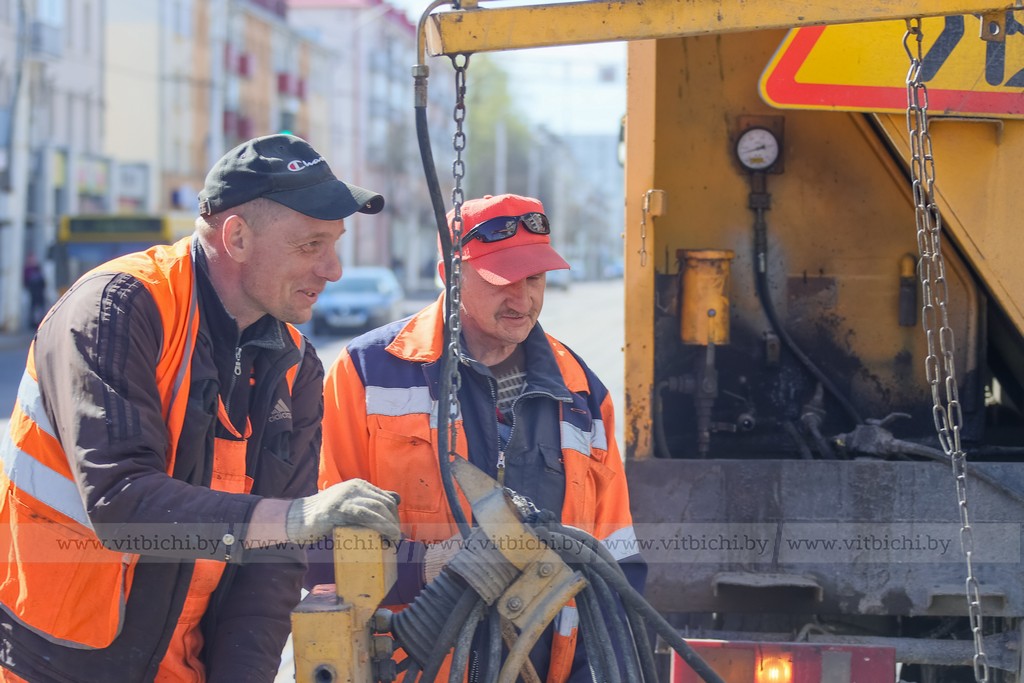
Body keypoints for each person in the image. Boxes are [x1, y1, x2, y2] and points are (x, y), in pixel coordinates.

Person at [0, 133, 402, 683]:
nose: (332, 269)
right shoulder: (118, 308)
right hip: (55, 664)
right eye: (311, 245)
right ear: (236, 237)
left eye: (335, 244)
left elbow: (273, 564)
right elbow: (121, 502)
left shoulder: (295, 367)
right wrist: (295, 517)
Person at [318, 193, 646, 681]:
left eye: (534, 279)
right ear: (448, 274)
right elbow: (316, 551)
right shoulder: (368, 373)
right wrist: (429, 568)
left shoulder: (582, 393)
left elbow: (616, 562)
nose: (523, 299)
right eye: (502, 280)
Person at [22, 252, 46, 328]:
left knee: (39, 308)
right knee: (32, 309)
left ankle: (39, 322)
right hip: (32, 293)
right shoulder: (27, 269)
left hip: (39, 293)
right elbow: (25, 281)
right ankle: (32, 323)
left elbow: (43, 281)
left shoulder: (38, 268)